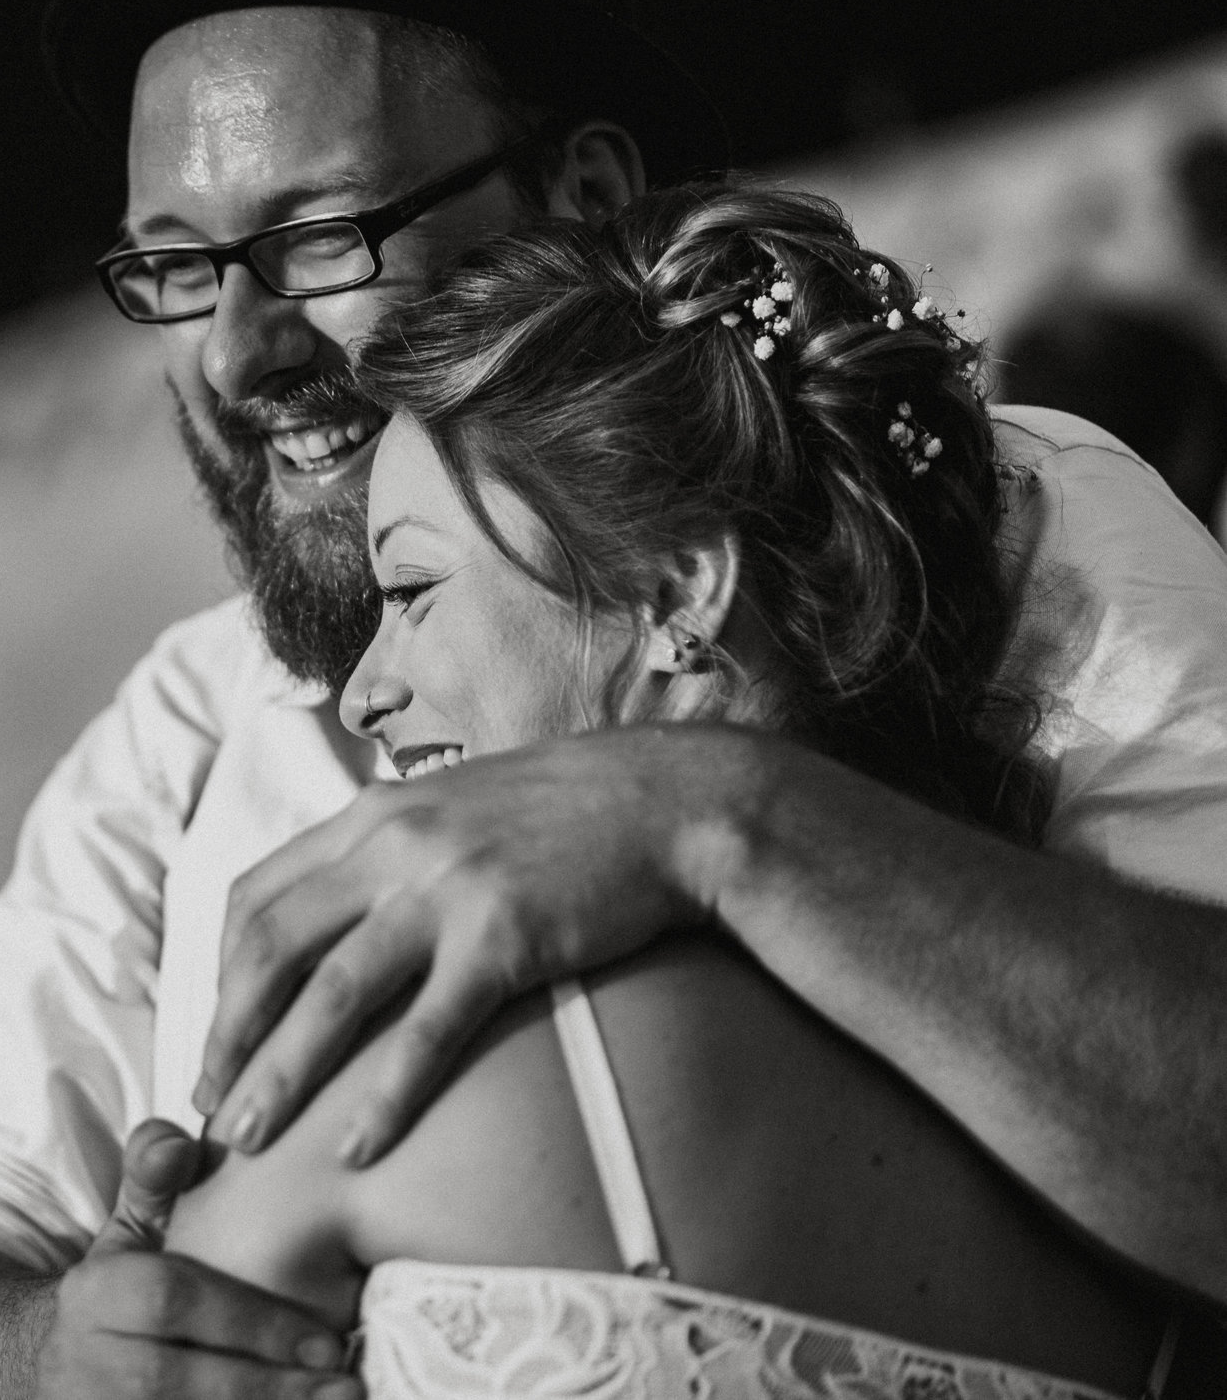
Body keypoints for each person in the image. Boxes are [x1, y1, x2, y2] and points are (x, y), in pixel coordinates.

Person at [0, 0, 1227, 1400]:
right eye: (178, 266)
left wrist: (719, 819)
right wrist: (38, 1350)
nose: (237, 349)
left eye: (318, 237)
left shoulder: (994, 524)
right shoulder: (189, 723)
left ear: (587, 188)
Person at [163, 183, 1172, 1398]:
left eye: (414, 592)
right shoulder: (1109, 1101)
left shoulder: (403, 1093)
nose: (362, 695)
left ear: (679, 592)